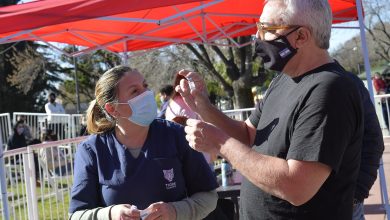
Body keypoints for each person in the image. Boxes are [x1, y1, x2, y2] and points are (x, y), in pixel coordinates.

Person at [176, 0, 364, 219]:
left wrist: (220, 143)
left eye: (266, 29)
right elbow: (249, 135)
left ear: (301, 37)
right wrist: (204, 107)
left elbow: (296, 186)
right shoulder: (283, 79)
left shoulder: (330, 89)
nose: (258, 37)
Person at [68, 66, 218, 220]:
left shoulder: (176, 135)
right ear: (113, 109)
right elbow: (76, 215)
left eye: (145, 86)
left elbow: (209, 197)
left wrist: (175, 211)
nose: (146, 94)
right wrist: (110, 214)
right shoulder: (92, 150)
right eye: (135, 91)